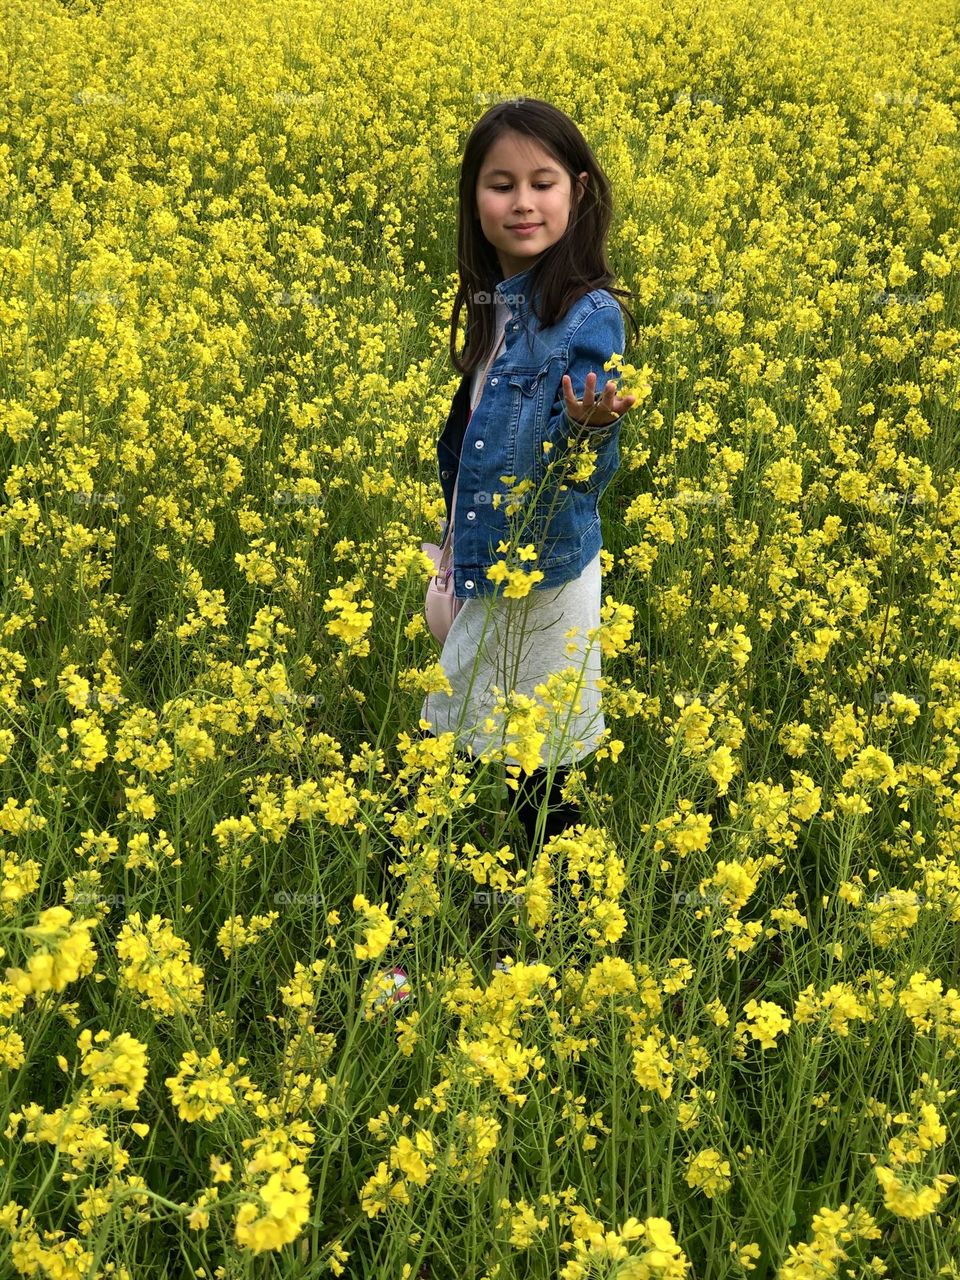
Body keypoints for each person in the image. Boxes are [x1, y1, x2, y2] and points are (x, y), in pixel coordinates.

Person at [419, 97, 640, 856]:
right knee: (462, 755)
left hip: (541, 584)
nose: (522, 203)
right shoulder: (497, 307)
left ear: (577, 191)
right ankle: (459, 925)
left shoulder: (586, 315)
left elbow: (576, 475)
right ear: (473, 200)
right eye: (500, 184)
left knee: (535, 777)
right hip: (488, 567)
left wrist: (588, 429)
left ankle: (561, 936)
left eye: (542, 182)